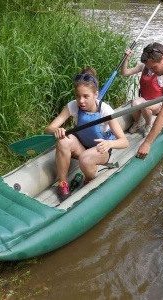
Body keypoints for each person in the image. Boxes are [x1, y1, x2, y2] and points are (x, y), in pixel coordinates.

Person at [45, 67, 129, 202]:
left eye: (86, 96)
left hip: (100, 151)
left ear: (96, 94)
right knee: (63, 141)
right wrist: (56, 130)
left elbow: (124, 142)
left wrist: (109, 144)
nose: (81, 101)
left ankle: (89, 179)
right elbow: (49, 129)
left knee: (85, 158)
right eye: (78, 96)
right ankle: (63, 184)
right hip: (81, 146)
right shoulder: (73, 106)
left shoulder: (105, 110)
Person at [121, 48, 163, 137]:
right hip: (145, 98)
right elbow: (125, 73)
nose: (149, 67)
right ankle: (138, 122)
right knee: (135, 103)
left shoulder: (161, 72)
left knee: (145, 106)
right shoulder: (143, 67)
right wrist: (126, 59)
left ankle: (148, 125)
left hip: (157, 102)